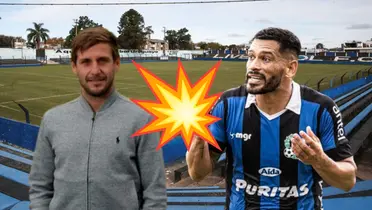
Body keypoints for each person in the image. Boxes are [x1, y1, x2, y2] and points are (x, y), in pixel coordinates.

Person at [186, 27, 357, 210]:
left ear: (291, 68)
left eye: (265, 58)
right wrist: (198, 137)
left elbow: (347, 181)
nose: (253, 66)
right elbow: (197, 174)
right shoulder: (227, 105)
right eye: (251, 57)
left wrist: (319, 160)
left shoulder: (321, 109)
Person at [28, 27, 167, 210]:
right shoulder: (52, 120)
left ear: (116, 63)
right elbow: (39, 187)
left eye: (102, 60)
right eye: (86, 62)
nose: (95, 70)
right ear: (74, 66)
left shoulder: (142, 120)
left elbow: (155, 194)